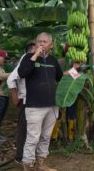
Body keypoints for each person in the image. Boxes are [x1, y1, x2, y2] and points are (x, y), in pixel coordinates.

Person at [18, 32, 63, 171]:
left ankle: (41, 163)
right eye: (39, 41)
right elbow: (22, 73)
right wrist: (35, 55)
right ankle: (28, 165)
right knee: (33, 137)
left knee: (46, 136)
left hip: (52, 105)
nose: (41, 44)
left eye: (44, 41)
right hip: (35, 106)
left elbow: (60, 77)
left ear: (51, 45)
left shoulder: (53, 61)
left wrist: (75, 69)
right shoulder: (28, 58)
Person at [7, 41, 36, 163]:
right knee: (23, 130)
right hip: (25, 101)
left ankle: (29, 156)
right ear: (31, 50)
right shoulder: (26, 59)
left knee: (31, 130)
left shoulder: (35, 61)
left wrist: (75, 71)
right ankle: (20, 157)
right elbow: (11, 79)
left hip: (33, 101)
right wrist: (15, 96)